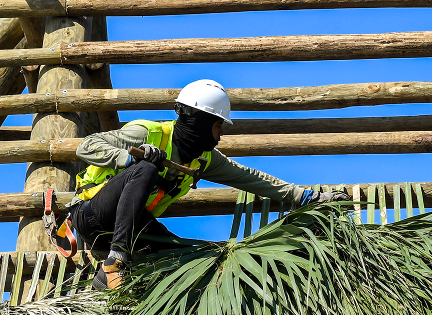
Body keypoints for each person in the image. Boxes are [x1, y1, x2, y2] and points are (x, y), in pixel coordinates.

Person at [68, 79, 350, 289]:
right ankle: (115, 261)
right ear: (199, 122)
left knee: (187, 252)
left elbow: (250, 177)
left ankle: (106, 281)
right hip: (92, 215)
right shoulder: (148, 133)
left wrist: (304, 197)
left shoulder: (203, 160)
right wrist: (127, 160)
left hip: (133, 229)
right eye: (217, 127)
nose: (219, 137)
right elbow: (87, 146)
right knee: (146, 167)